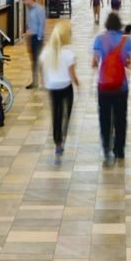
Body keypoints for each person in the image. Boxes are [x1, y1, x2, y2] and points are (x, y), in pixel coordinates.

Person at [92, 13, 131, 167]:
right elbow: (129, 63)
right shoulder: (126, 40)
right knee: (120, 117)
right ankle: (119, 150)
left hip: (104, 85)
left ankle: (106, 147)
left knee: (104, 117)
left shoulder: (99, 39)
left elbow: (94, 61)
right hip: (121, 86)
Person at [41, 20, 78, 162]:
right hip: (66, 87)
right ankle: (63, 134)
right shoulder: (69, 54)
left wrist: (46, 82)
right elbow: (72, 75)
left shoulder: (46, 52)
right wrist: (78, 84)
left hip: (52, 87)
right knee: (65, 114)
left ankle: (57, 142)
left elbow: (44, 71)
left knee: (55, 113)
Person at [25, 0, 46, 90]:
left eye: (25, 0)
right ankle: (35, 82)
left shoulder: (39, 9)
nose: (25, 2)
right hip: (31, 38)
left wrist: (39, 38)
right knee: (33, 61)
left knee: (40, 60)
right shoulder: (30, 9)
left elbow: (41, 24)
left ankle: (44, 82)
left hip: (37, 38)